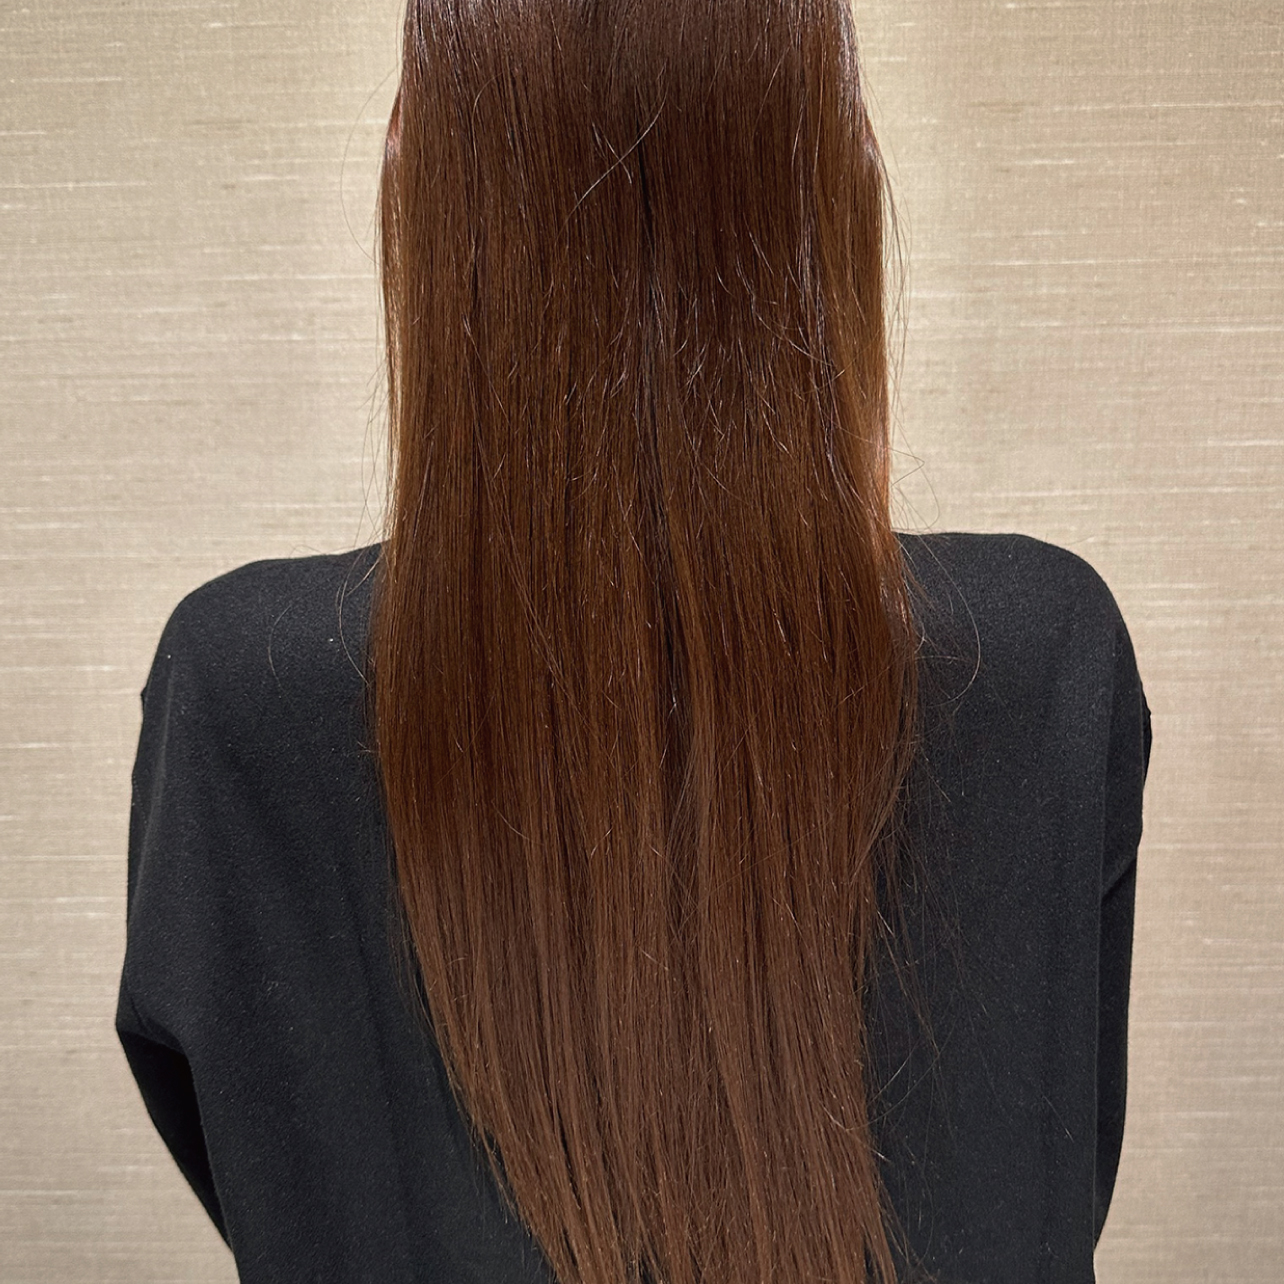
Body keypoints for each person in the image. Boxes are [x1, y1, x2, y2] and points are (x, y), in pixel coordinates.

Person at [115, 2, 1152, 1281]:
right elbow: (1055, 1169)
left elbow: (266, 1170)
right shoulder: (1040, 662)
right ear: (840, 187)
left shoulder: (243, 698)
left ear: (420, 200)